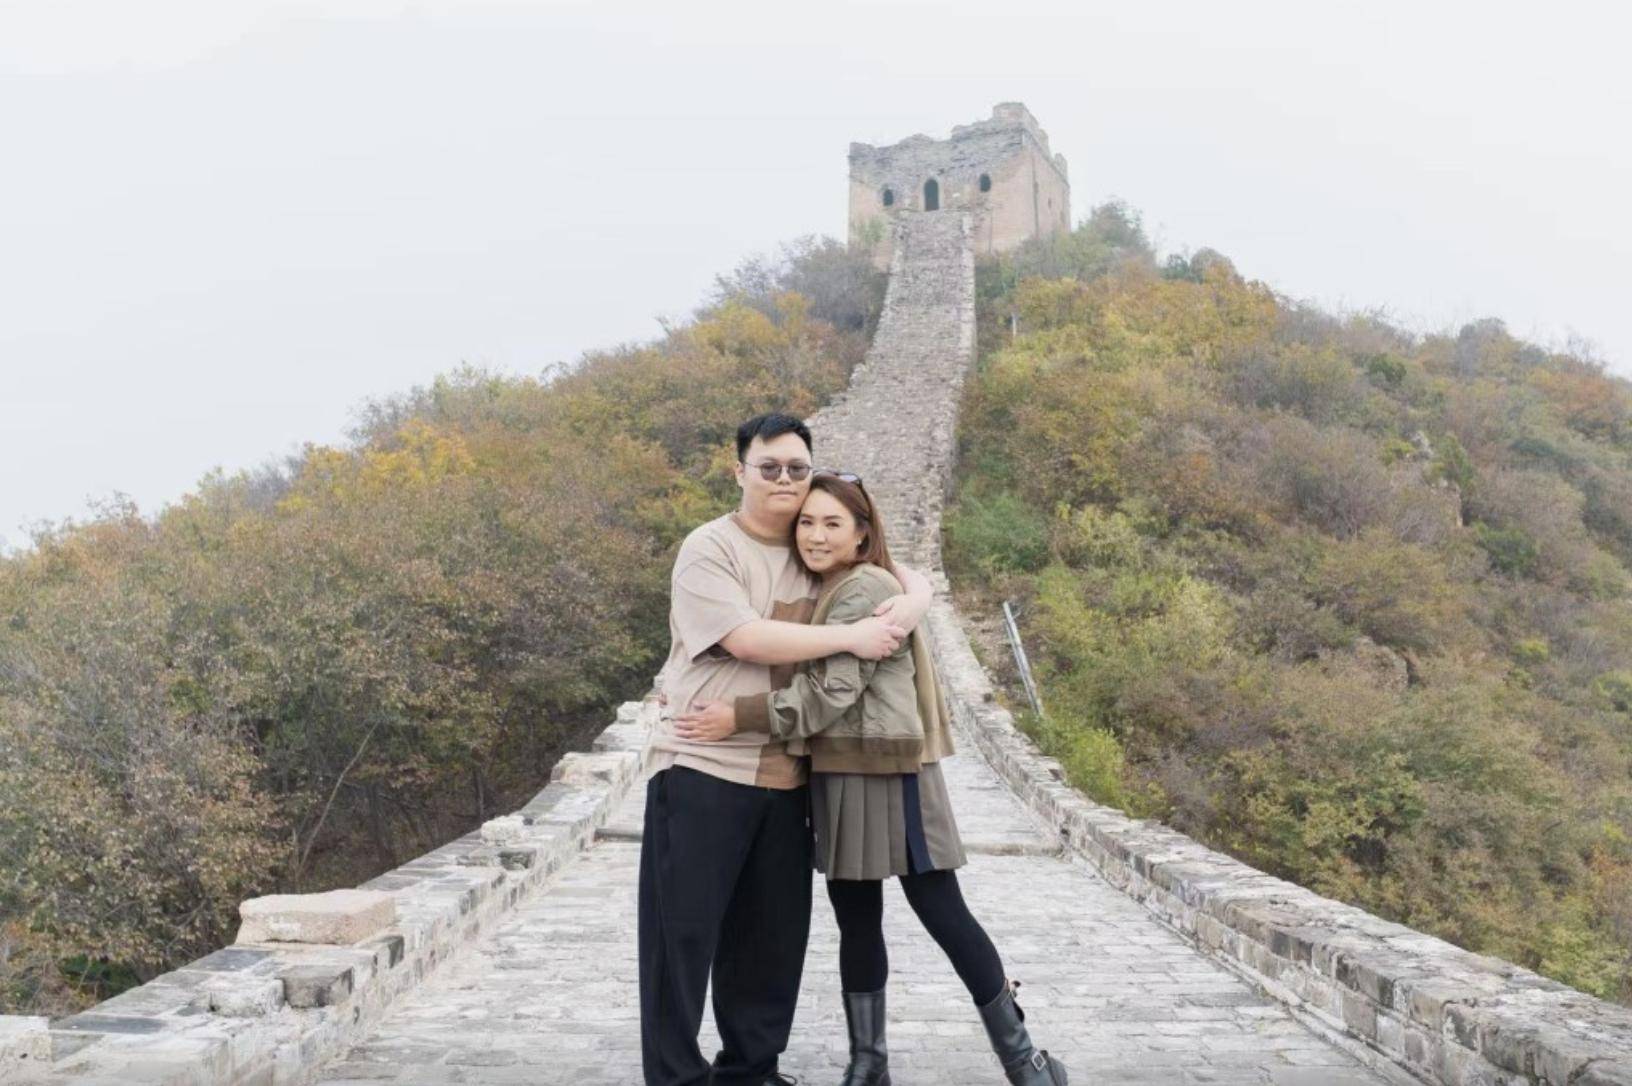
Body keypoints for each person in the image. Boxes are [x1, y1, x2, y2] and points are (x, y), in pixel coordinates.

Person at [676, 471, 1070, 1086]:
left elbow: (832, 690)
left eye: (832, 524)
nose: (815, 535)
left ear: (862, 534)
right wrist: (919, 589)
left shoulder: (864, 588)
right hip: (840, 771)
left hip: (891, 771)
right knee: (858, 919)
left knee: (939, 909)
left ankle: (1019, 1057)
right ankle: (871, 1065)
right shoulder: (834, 583)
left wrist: (739, 715)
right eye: (807, 522)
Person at [639, 413, 936, 1086]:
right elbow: (745, 638)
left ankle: (750, 1071)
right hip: (704, 764)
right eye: (768, 467)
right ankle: (676, 1076)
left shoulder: (814, 547)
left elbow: (900, 573)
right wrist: (852, 637)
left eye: (796, 469)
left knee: (768, 941)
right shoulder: (711, 548)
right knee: (681, 937)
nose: (783, 480)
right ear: (738, 471)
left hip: (788, 774)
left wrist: (914, 599)